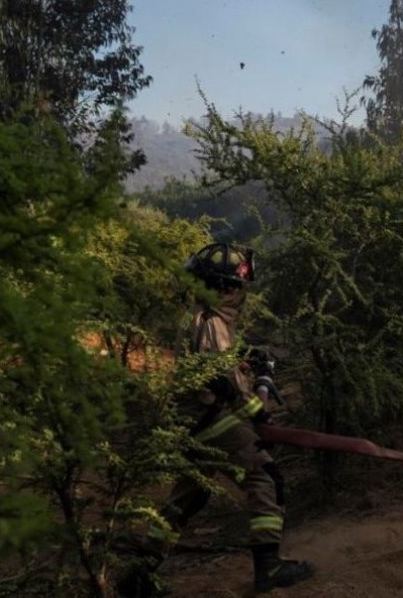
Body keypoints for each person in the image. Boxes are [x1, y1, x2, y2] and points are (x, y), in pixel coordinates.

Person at [125, 242, 313, 594]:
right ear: (226, 287)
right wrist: (260, 411)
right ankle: (269, 567)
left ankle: (140, 573)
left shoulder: (203, 317)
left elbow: (218, 365)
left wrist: (248, 361)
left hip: (191, 418)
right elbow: (225, 384)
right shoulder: (211, 322)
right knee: (264, 476)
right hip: (210, 416)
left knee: (190, 494)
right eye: (238, 286)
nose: (241, 294)